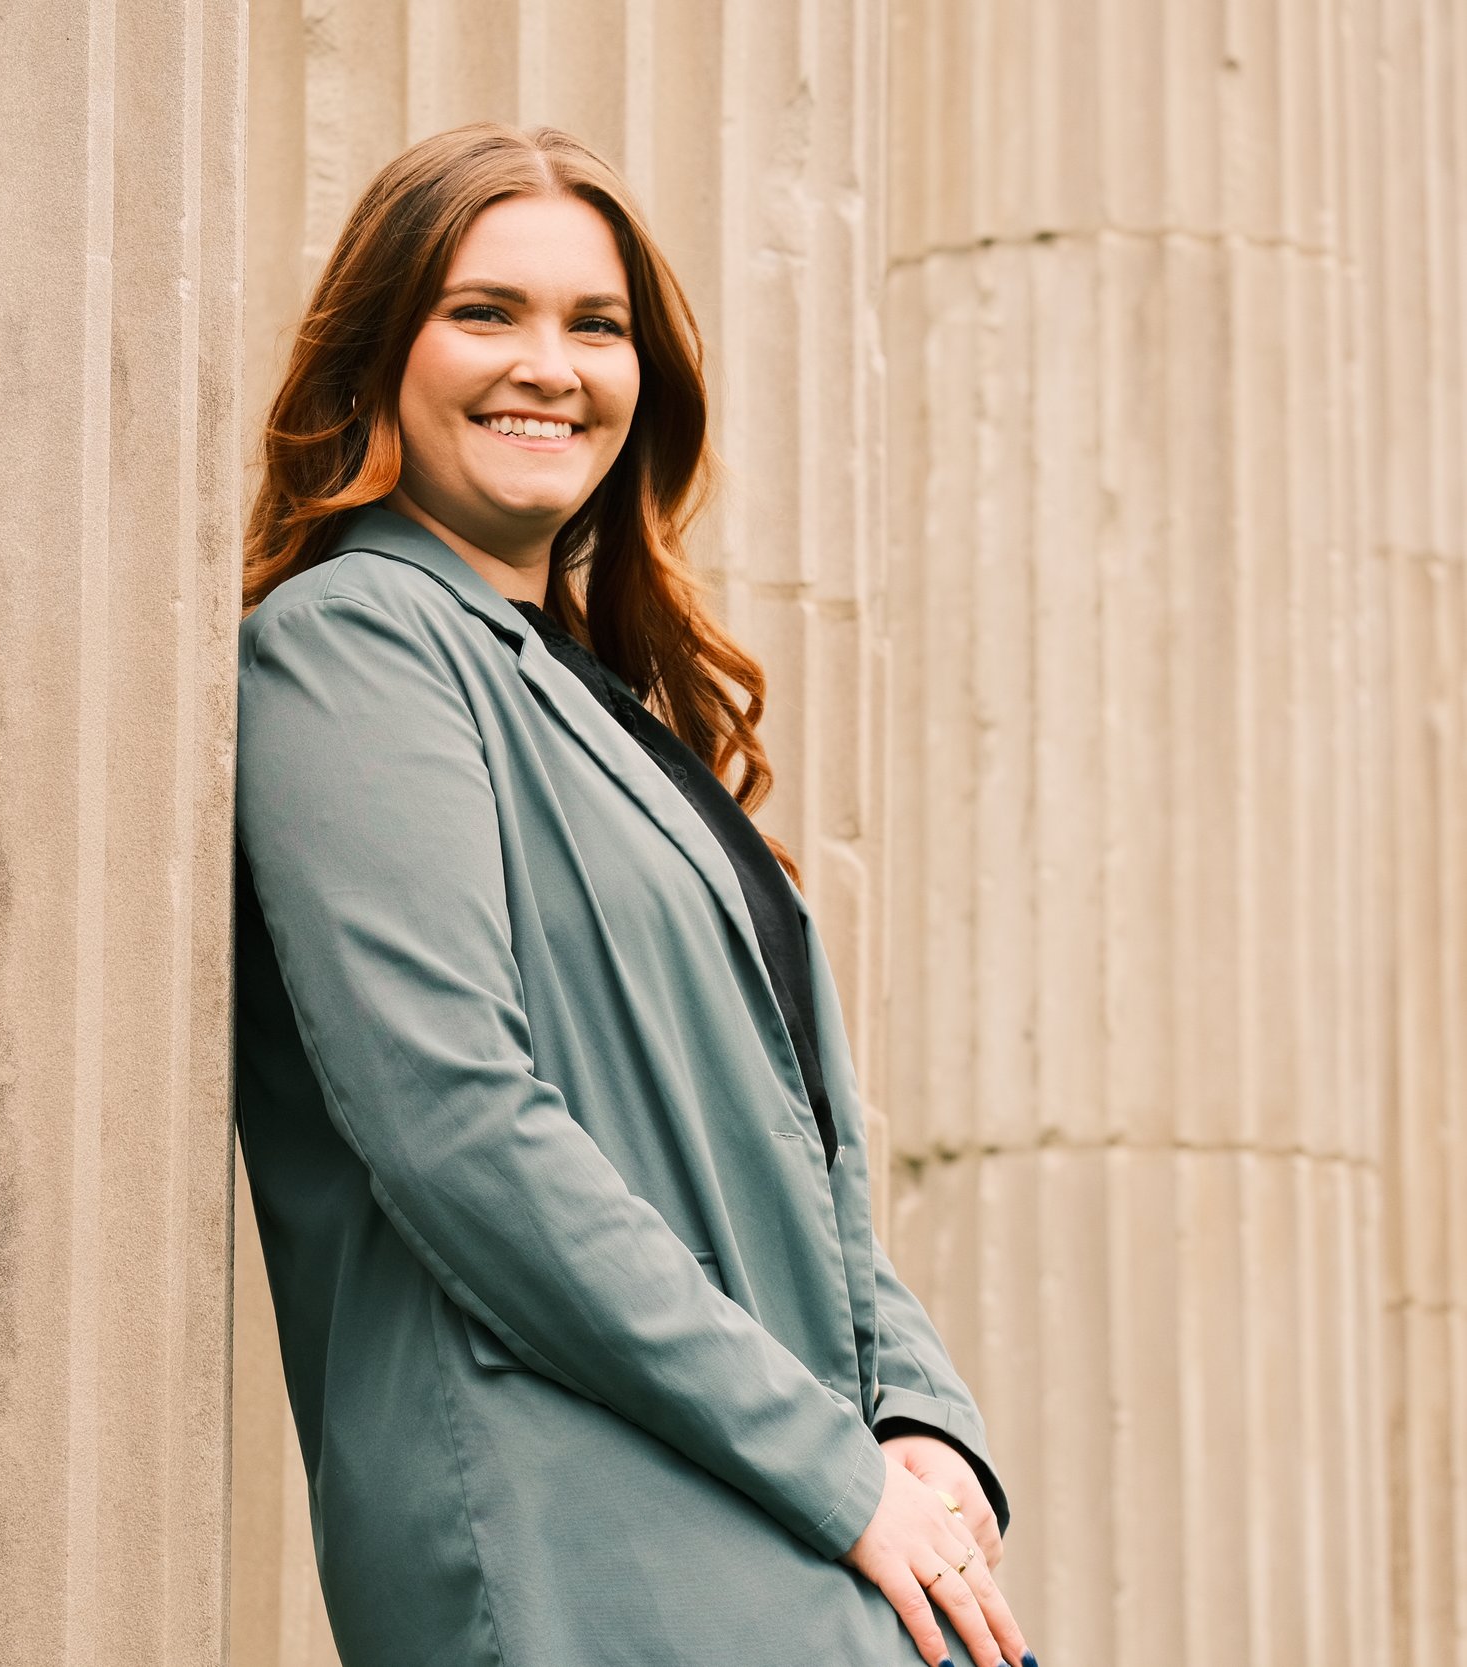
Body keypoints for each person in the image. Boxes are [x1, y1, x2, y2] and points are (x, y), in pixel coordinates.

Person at [232, 122, 1040, 1667]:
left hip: (773, 1516)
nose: (550, 364)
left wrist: (922, 1422)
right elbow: (454, 1114)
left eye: (594, 326)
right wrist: (832, 1468)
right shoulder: (356, 642)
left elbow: (794, 1165)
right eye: (486, 312)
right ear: (378, 354)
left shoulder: (609, 714)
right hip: (579, 1535)